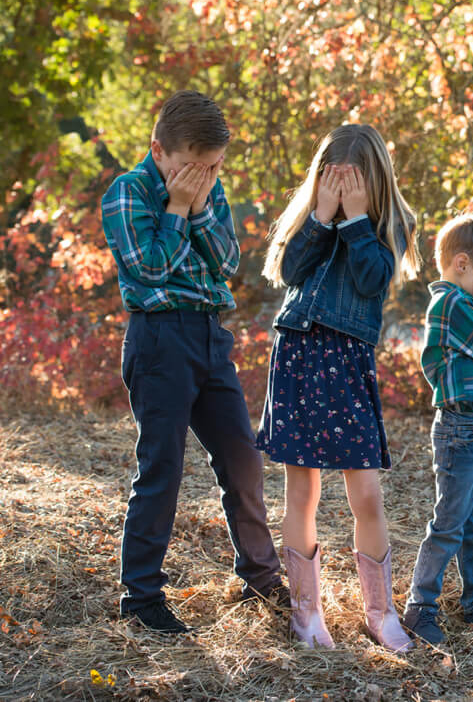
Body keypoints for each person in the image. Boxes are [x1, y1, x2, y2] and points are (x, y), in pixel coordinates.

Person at [100, 90, 287, 634]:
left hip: (209, 335)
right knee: (162, 466)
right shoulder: (128, 193)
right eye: (191, 168)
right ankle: (140, 597)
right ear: (158, 150)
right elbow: (151, 269)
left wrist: (199, 207)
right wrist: (178, 210)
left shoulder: (209, 190)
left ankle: (260, 575)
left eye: (213, 169)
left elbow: (228, 261)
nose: (203, 177)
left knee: (242, 458)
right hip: (158, 340)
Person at [256, 124, 421, 650]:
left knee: (365, 493)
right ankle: (307, 614)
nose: (344, 189)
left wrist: (353, 220)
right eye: (334, 181)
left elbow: (374, 279)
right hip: (300, 355)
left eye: (355, 183)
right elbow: (288, 270)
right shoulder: (311, 218)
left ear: (375, 181)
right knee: (301, 490)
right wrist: (323, 216)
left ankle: (380, 611)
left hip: (347, 363)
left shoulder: (393, 224)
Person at [400, 213, 473, 646]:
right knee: (450, 522)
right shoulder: (451, 303)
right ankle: (420, 606)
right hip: (461, 429)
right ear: (463, 264)